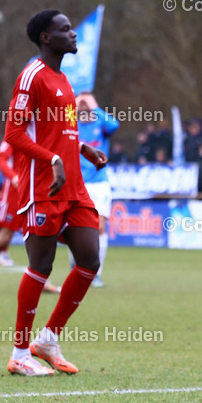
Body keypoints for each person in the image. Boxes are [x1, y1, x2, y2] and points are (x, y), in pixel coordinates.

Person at [3, 9, 107, 377]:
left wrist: (83, 150)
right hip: (42, 186)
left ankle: (47, 339)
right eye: (66, 30)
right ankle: (19, 352)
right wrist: (52, 161)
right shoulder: (31, 76)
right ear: (46, 37)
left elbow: (60, 130)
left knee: (89, 260)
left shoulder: (64, 80)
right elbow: (13, 134)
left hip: (74, 187)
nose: (73, 35)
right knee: (41, 266)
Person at [0, 140, 61, 295]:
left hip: (37, 189)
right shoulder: (16, 131)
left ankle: (42, 281)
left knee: (41, 236)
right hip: (15, 192)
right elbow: (1, 161)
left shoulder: (42, 132)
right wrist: (14, 177)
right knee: (4, 237)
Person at [76, 91, 120, 288]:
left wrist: (95, 107)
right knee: (76, 227)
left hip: (99, 183)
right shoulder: (72, 126)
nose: (84, 104)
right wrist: (74, 106)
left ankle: (96, 272)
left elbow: (114, 125)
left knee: (99, 226)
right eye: (81, 101)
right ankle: (76, 266)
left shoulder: (100, 125)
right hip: (77, 183)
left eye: (88, 101)